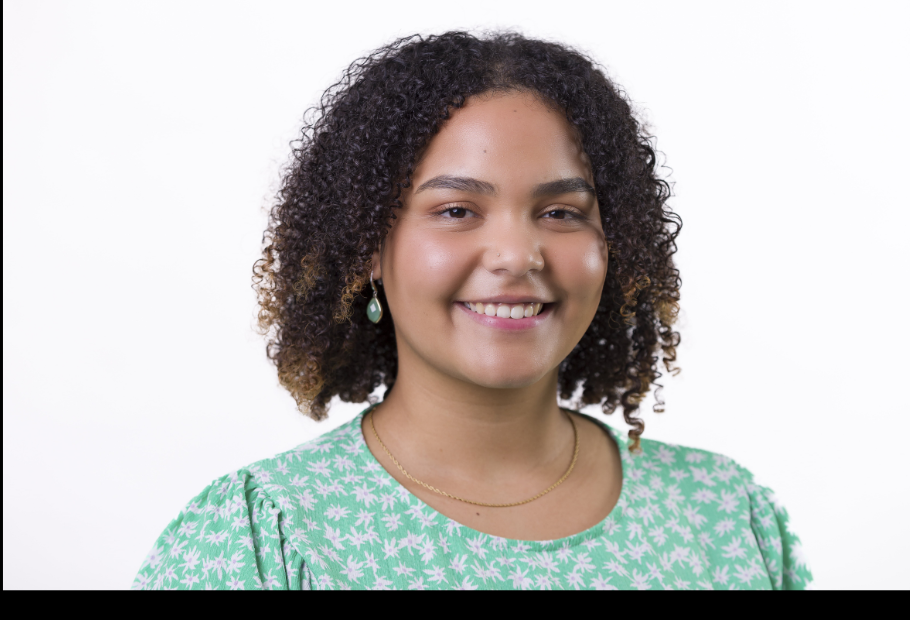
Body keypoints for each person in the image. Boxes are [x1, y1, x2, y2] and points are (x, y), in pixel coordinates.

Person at [133, 31, 810, 590]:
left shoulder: (724, 514)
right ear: (369, 245)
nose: (517, 254)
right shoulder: (264, 537)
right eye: (456, 210)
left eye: (559, 212)